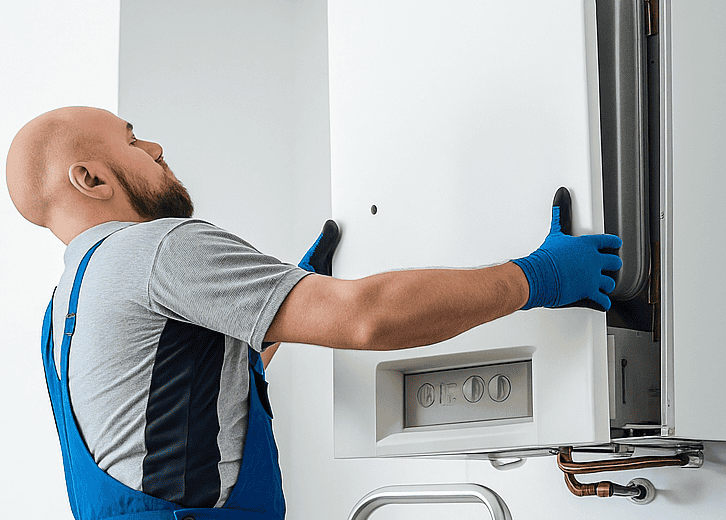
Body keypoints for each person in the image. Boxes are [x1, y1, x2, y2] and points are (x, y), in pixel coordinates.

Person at [5, 106, 622, 520]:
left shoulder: (63, 310)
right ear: (88, 176)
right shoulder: (157, 248)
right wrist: (537, 278)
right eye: (134, 141)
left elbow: (179, 411)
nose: (157, 147)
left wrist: (279, 309)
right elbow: (367, 318)